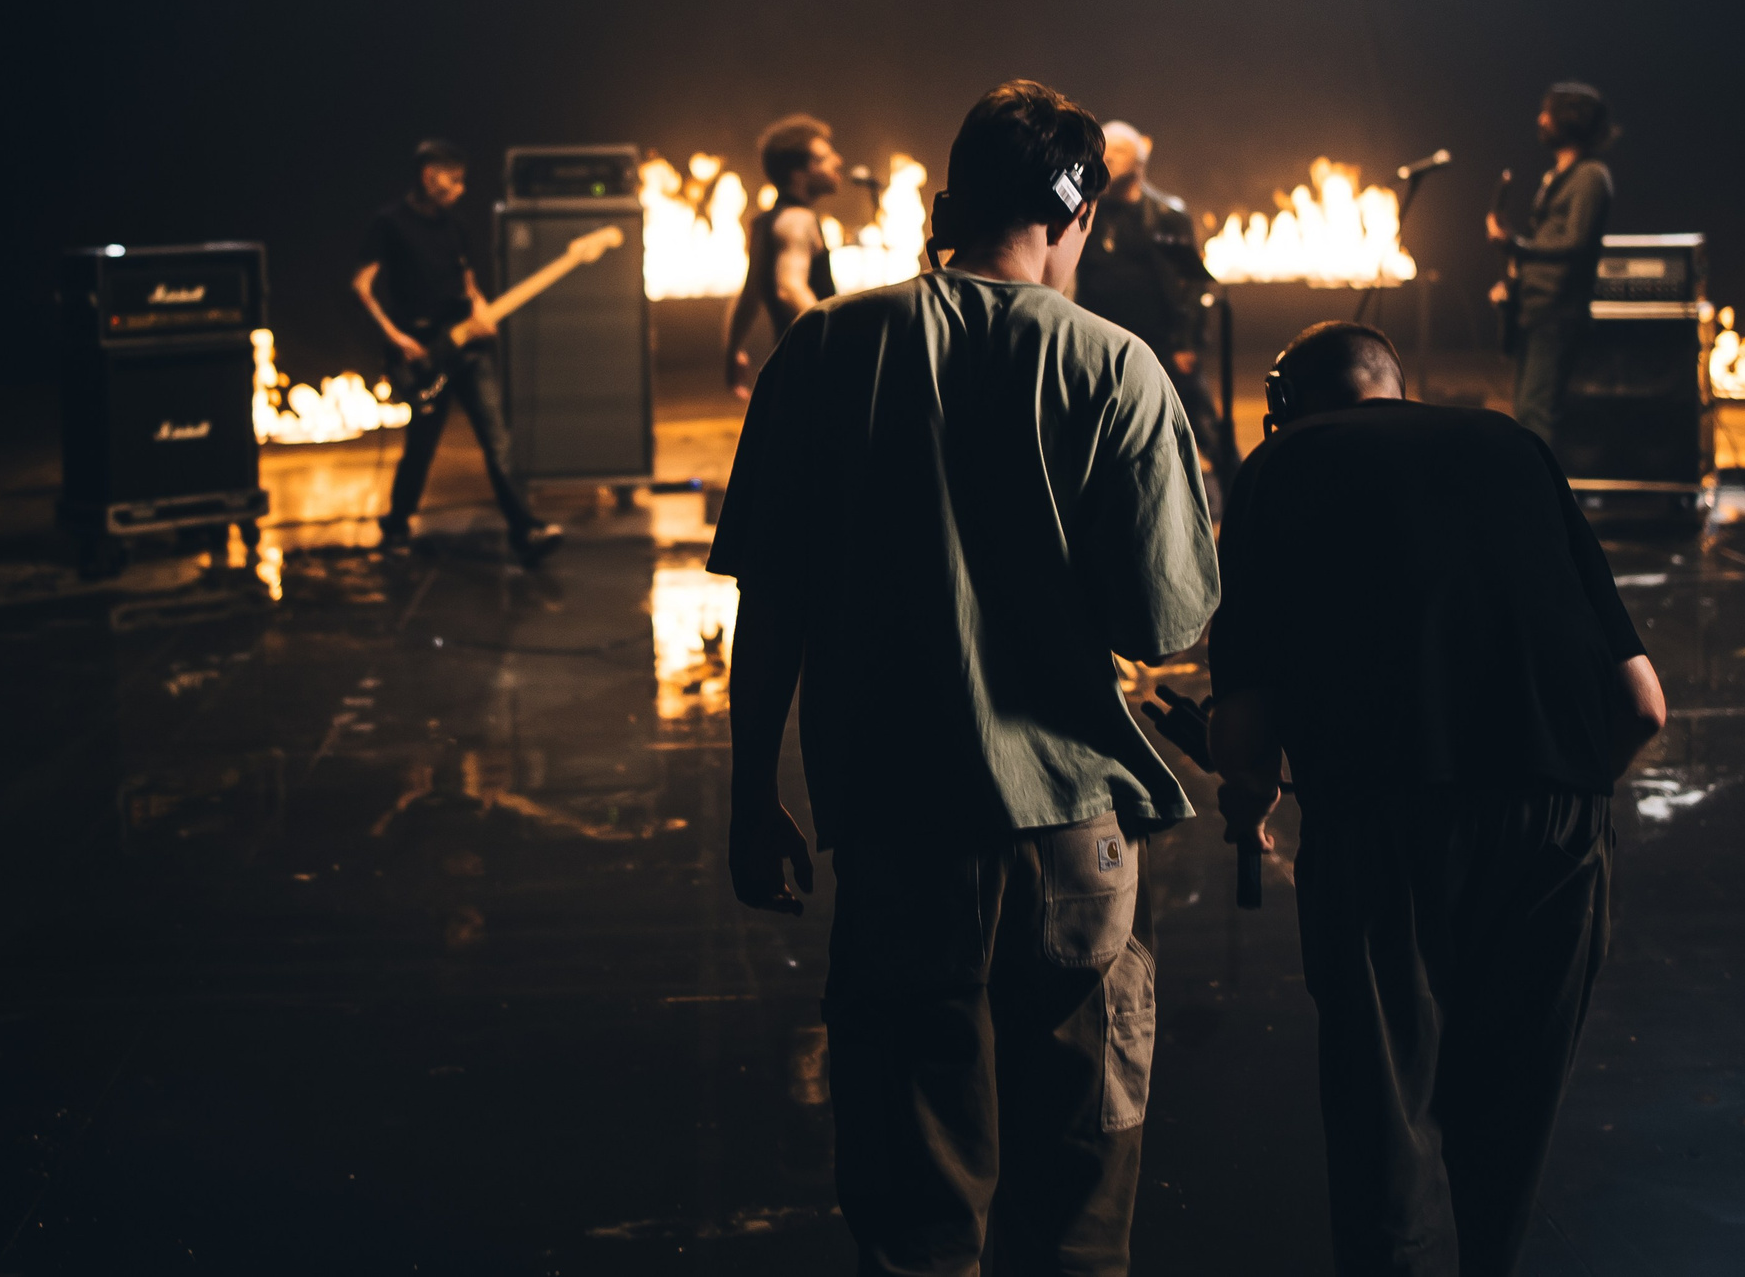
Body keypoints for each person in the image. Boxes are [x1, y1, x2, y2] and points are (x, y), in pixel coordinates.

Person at [711, 81, 1220, 1277]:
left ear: (948, 199)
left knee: (916, 1196)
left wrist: (750, 799)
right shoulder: (1118, 369)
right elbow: (1163, 621)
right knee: (1078, 1207)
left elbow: (769, 606)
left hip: (895, 827)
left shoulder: (827, 348)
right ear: (1077, 213)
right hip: (1075, 842)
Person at [1205, 321, 1667, 1277]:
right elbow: (1643, 706)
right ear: (1396, 385)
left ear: (1284, 408)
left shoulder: (1276, 467)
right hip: (1560, 819)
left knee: (1384, 1127)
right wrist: (1563, 811)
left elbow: (1245, 736)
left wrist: (1249, 806)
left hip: (1383, 824)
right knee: (1510, 1116)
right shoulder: (1515, 445)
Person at [353, 139, 563, 566]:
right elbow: (361, 286)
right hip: (422, 352)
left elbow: (468, 284)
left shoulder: (455, 226)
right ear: (429, 175)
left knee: (498, 440)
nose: (461, 189)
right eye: (454, 179)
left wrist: (483, 310)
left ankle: (525, 529)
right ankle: (396, 527)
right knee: (421, 448)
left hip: (469, 350)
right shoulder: (389, 224)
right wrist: (396, 338)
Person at [1074, 119, 1242, 498]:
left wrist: (1187, 341)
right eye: (1103, 152)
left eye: (1116, 153)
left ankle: (1243, 493)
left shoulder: (1166, 214)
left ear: (1138, 162)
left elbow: (1191, 281)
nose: (1106, 160)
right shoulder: (1089, 209)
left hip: (1161, 340)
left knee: (1201, 420)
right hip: (1102, 337)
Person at [1486, 83, 1618, 448]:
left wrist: (1517, 245)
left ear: (1570, 120)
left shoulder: (1591, 176)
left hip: (1557, 312)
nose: (1540, 119)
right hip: (1534, 307)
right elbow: (1546, 240)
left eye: (1548, 112)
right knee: (1526, 411)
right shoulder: (1555, 177)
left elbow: (1576, 242)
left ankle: (1543, 500)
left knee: (1537, 413)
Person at [726, 114, 846, 397]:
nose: (837, 161)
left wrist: (733, 350)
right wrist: (838, 342)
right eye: (825, 157)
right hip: (813, 371)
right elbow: (789, 288)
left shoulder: (765, 221)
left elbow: (749, 296)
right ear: (798, 173)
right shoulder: (798, 220)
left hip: (789, 371)